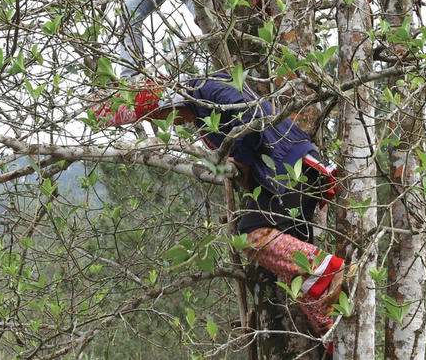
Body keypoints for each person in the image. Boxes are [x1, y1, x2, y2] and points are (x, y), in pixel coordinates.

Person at [93, 74, 351, 339]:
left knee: (251, 234)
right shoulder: (201, 108)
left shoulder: (207, 87)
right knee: (292, 273)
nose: (168, 123)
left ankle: (329, 271)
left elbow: (253, 118)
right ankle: (333, 332)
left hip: (290, 170)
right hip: (285, 173)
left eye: (158, 116)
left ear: (167, 105)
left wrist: (241, 161)